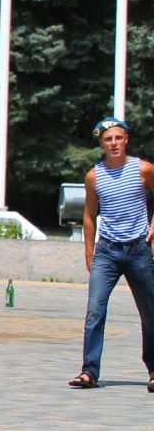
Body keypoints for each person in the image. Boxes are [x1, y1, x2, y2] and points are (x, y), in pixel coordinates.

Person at [70, 116, 154, 392]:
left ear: (126, 139)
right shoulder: (94, 176)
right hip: (107, 251)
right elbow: (89, 215)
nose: (114, 143)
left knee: (150, 312)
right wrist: (89, 251)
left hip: (138, 250)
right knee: (95, 310)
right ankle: (89, 371)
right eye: (108, 139)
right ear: (101, 143)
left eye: (118, 138)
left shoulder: (143, 169)